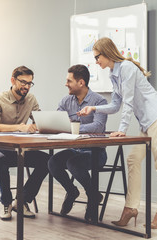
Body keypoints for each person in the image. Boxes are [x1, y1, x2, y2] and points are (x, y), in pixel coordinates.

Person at [78, 37, 157, 229]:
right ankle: (130, 208)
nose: (96, 61)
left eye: (97, 57)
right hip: (146, 122)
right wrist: (93, 109)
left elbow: (128, 101)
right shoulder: (114, 73)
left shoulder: (127, 68)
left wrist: (122, 130)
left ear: (106, 53)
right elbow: (115, 105)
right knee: (132, 160)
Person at [0, 66, 50, 221]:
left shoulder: (31, 99)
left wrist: (41, 125)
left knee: (47, 161)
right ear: (13, 80)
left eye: (30, 83)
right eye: (23, 82)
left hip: (19, 150)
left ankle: (21, 201)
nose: (26, 87)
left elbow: (39, 121)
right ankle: (6, 203)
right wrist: (20, 127)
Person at [48, 64, 108, 221]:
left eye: (69, 80)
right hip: (75, 150)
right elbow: (59, 122)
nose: (65, 84)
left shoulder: (99, 101)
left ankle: (92, 195)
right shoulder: (66, 101)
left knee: (73, 163)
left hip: (96, 152)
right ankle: (72, 191)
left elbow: (98, 126)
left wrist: (74, 127)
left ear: (81, 82)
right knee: (53, 162)